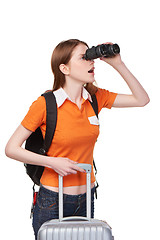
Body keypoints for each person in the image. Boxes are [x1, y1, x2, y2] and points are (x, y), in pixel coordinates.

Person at [5, 39, 150, 239]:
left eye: (89, 56)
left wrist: (118, 64)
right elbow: (11, 148)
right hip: (52, 199)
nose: (92, 62)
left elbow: (142, 100)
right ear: (64, 68)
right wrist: (51, 162)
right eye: (83, 58)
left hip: (87, 197)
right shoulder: (45, 104)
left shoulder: (95, 98)